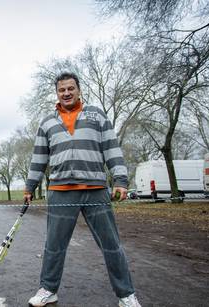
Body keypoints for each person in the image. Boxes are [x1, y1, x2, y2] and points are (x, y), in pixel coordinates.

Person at [24, 72, 141, 307]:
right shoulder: (47, 122)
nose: (66, 93)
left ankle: (126, 295)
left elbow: (111, 148)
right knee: (54, 246)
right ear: (56, 93)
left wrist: (120, 181)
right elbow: (39, 158)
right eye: (61, 90)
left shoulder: (96, 115)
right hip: (60, 191)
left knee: (111, 245)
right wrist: (30, 187)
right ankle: (48, 289)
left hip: (96, 189)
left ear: (79, 90)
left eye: (70, 88)